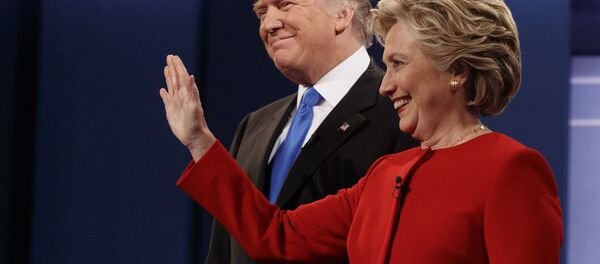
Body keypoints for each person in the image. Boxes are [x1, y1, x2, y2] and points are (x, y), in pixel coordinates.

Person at [159, 0, 564, 262]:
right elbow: (275, 235)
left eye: (399, 64)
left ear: (456, 71)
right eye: (385, 65)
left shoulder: (510, 170)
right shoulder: (384, 175)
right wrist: (200, 141)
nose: (386, 85)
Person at [189, 0, 417, 263]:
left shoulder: (402, 113)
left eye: (285, 5)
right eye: (262, 13)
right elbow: (223, 252)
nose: (269, 24)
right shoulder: (254, 126)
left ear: (343, 13)